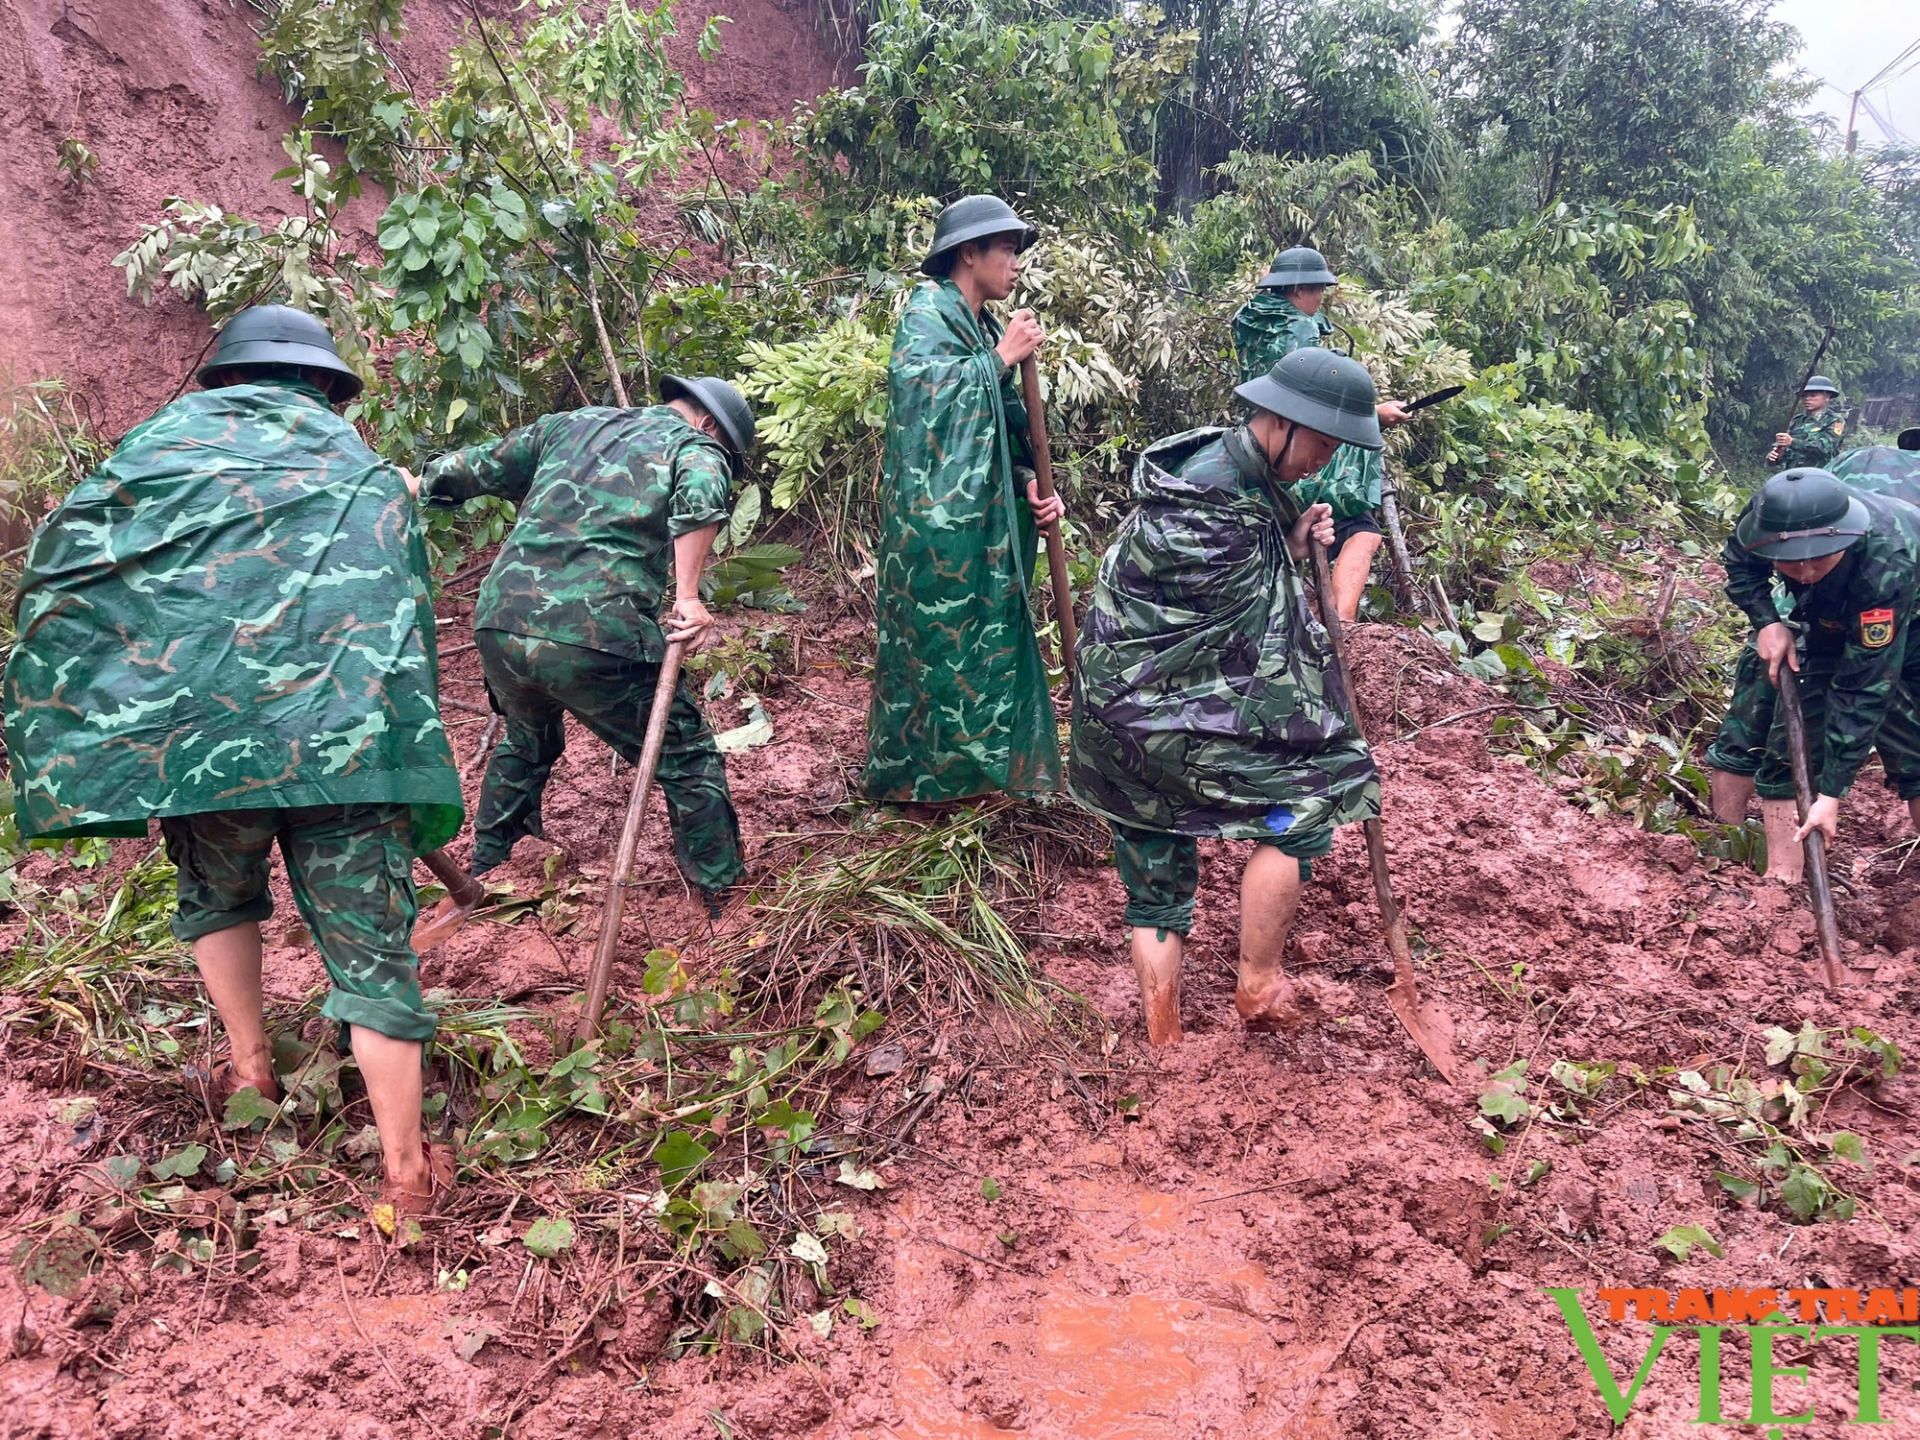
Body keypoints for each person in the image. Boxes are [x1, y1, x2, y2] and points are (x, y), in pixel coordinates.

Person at [2, 305, 464, 1214]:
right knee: (373, 960)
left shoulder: (149, 450)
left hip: (200, 746)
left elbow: (66, 563)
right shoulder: (364, 468)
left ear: (225, 376)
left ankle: (250, 1071)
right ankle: (407, 1177)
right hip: (348, 749)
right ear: (325, 385)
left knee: (218, 895)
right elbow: (405, 605)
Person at [1068, 348, 1386, 1044]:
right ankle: (1258, 983)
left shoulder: (1212, 463)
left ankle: (1164, 1043)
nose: (1323, 463)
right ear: (1280, 423)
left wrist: (1290, 534)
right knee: (1305, 803)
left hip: (1117, 712)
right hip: (1163, 719)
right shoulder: (1222, 507)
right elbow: (1260, 645)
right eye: (1322, 444)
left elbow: (1238, 574)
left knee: (1156, 874)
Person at [415, 376, 753, 910]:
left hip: (502, 619)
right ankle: (721, 894)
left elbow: (469, 467)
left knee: (526, 742)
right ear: (708, 423)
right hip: (594, 631)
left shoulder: (573, 423)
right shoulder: (694, 445)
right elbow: (703, 492)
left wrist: (414, 483)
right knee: (686, 757)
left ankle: (493, 868)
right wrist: (687, 594)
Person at [862, 194, 1065, 808]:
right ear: (968, 254)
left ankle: (976, 781)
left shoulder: (975, 324)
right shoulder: (927, 314)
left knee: (986, 643)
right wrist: (1002, 358)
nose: (1015, 263)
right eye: (1007, 249)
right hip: (935, 528)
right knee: (937, 649)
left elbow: (1005, 424)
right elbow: (924, 406)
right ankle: (921, 789)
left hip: (985, 524)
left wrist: (1031, 478)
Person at [1715, 468, 1920, 880]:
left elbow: (1862, 687)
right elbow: (1740, 563)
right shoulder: (1767, 519)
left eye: (1818, 559)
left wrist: (1832, 793)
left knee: (1912, 743)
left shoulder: (1887, 560)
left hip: (1908, 624)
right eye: (1791, 564)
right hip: (1818, 618)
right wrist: (1767, 622)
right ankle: (1737, 857)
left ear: (1844, 537)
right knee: (1777, 726)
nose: (1805, 571)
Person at [1230, 245, 1411, 620]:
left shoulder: (1251, 320)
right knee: (1363, 528)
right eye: (1317, 290)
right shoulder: (1298, 326)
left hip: (1259, 431)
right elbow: (1308, 403)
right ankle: (1342, 624)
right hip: (1290, 444)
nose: (1320, 298)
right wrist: (1374, 415)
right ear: (1298, 290)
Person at [1766, 376, 1846, 468]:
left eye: (1813, 395)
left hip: (1819, 476)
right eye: (1804, 395)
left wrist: (1793, 442)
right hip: (1793, 475)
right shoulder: (1796, 420)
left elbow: (1825, 448)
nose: (1807, 399)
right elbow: (1785, 450)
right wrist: (1775, 456)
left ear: (1827, 397)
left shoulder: (1836, 421)